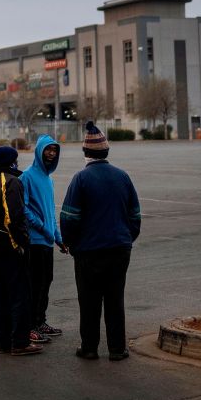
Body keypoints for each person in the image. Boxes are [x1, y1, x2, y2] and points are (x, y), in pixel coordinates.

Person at [60, 122, 142, 361]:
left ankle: (90, 347)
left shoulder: (81, 179)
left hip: (89, 252)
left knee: (89, 301)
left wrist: (70, 243)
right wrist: (127, 238)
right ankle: (117, 348)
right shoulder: (122, 176)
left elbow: (69, 217)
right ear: (106, 152)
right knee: (115, 299)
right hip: (119, 249)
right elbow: (135, 215)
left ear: (86, 153)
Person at [0, 146, 39, 356]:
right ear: (11, 162)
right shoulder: (13, 182)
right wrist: (23, 243)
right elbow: (15, 217)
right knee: (20, 295)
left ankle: (3, 342)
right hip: (12, 246)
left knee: (1, 296)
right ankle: (20, 342)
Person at [21, 133, 66, 343]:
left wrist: (58, 238)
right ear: (39, 151)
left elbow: (50, 214)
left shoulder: (48, 179)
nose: (51, 153)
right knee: (33, 285)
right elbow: (24, 209)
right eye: (48, 150)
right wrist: (42, 229)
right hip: (34, 242)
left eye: (54, 150)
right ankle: (29, 325)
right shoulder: (27, 176)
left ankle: (40, 321)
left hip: (47, 242)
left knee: (45, 283)